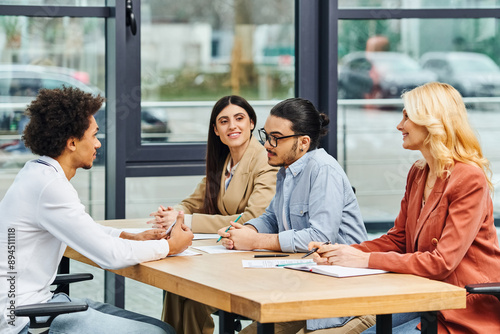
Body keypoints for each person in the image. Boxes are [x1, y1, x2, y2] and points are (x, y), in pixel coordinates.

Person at [0, 87, 194, 334]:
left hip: (39, 305)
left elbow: (86, 230)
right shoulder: (49, 186)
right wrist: (170, 247)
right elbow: (109, 256)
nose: (98, 143)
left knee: (159, 327)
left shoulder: (37, 173)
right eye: (93, 135)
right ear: (71, 142)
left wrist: (129, 236)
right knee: (159, 333)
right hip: (25, 319)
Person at [311, 82, 500, 333]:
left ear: (432, 121)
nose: (399, 125)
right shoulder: (419, 172)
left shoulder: (468, 178)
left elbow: (442, 262)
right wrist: (340, 253)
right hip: (425, 296)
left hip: (462, 304)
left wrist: (364, 259)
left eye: (407, 116)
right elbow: (399, 239)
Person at [219, 97, 374, 334]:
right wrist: (246, 231)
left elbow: (320, 237)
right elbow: (271, 217)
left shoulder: (323, 169)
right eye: (265, 135)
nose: (266, 145)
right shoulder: (287, 169)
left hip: (345, 300)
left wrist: (257, 242)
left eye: (276, 138)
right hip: (306, 294)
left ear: (303, 142)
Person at [151, 95, 278, 334]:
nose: (232, 126)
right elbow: (193, 201)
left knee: (193, 299)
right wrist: (174, 214)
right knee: (176, 288)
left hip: (252, 261)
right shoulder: (224, 161)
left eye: (239, 118)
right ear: (216, 130)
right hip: (224, 256)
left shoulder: (264, 161)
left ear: (252, 123)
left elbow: (251, 218)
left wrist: (186, 220)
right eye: (224, 121)